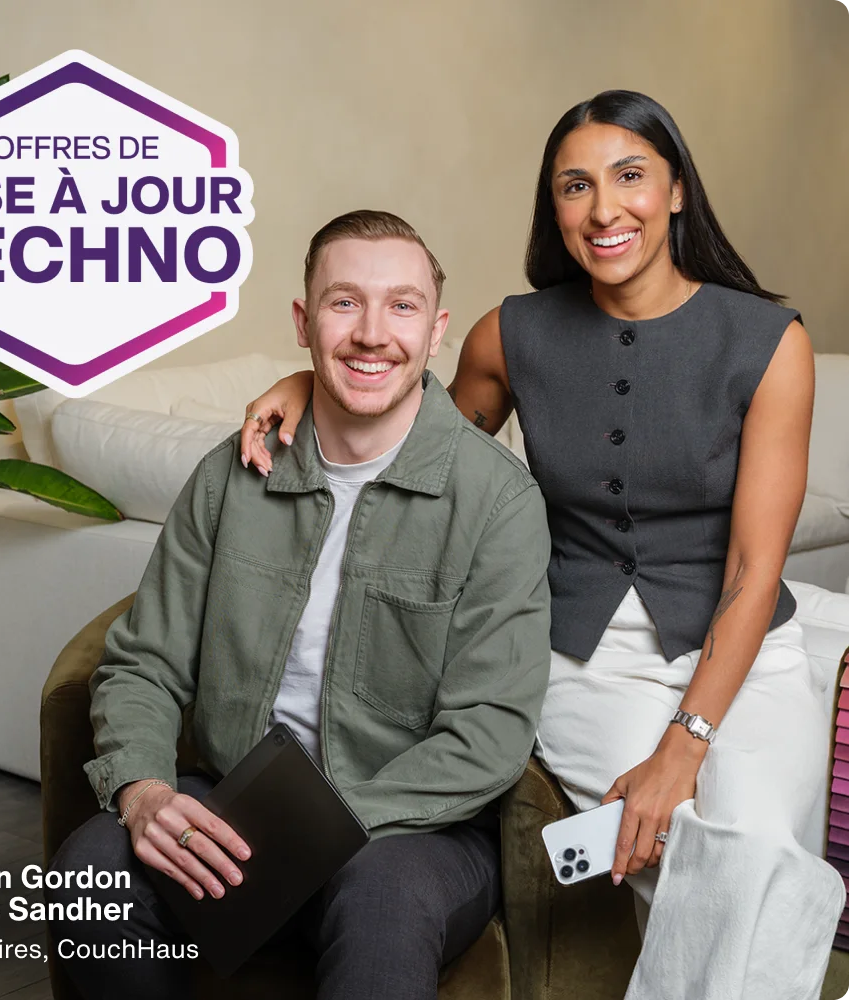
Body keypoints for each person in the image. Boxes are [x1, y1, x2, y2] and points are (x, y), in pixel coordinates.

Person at [240, 91, 847, 1000]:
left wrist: (685, 745)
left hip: (743, 655)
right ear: (553, 207)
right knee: (686, 843)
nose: (605, 209)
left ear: (677, 191)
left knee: (752, 843)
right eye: (576, 186)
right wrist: (303, 375)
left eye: (631, 176)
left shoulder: (769, 341)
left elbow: (757, 569)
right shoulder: (511, 334)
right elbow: (412, 431)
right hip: (572, 659)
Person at [46, 210, 553, 1000]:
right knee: (92, 871)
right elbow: (144, 662)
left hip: (410, 828)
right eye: (344, 302)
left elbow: (488, 732)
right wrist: (145, 790)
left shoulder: (497, 500)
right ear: (303, 321)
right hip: (237, 797)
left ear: (437, 329)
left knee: (381, 899)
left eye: (403, 306)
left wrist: (306, 832)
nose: (372, 333)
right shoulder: (232, 473)